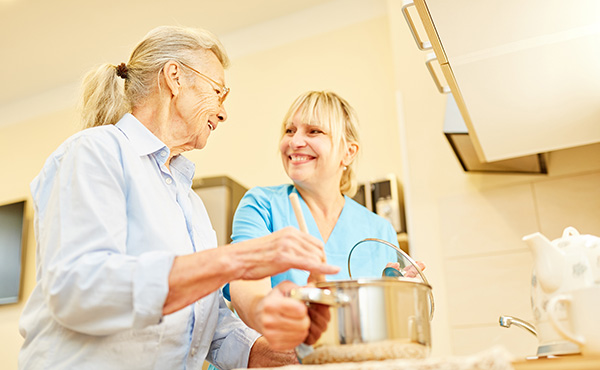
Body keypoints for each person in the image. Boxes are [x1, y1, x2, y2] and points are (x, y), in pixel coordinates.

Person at [17, 26, 340, 370]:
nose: (223, 112)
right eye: (219, 92)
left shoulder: (190, 203)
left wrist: (285, 351)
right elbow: (80, 289)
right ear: (174, 78)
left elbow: (207, 322)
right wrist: (237, 260)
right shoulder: (94, 152)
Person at [225, 91, 425, 364]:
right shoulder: (261, 204)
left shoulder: (379, 230)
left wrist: (402, 298)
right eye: (289, 130)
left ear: (348, 152)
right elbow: (246, 292)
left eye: (314, 131)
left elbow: (381, 330)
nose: (295, 141)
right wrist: (274, 316)